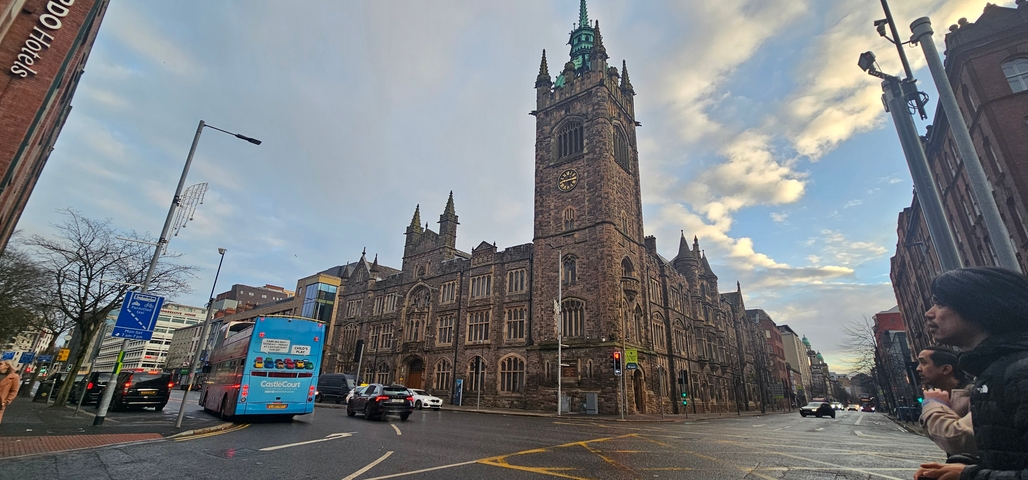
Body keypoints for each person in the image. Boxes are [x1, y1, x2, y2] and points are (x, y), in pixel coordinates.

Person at [915, 267, 1028, 480]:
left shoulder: (1019, 371)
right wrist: (970, 466)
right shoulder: (992, 372)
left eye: (941, 303)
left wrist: (969, 475)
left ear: (979, 306)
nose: (929, 313)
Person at [916, 345, 977, 458]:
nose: (918, 369)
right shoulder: (948, 396)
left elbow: (958, 440)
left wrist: (932, 404)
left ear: (946, 369)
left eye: (923, 363)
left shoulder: (973, 395)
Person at [0, 360, 21, 424]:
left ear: (7, 366)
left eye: (0, 364)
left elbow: (14, 391)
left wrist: (6, 402)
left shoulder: (14, 377)